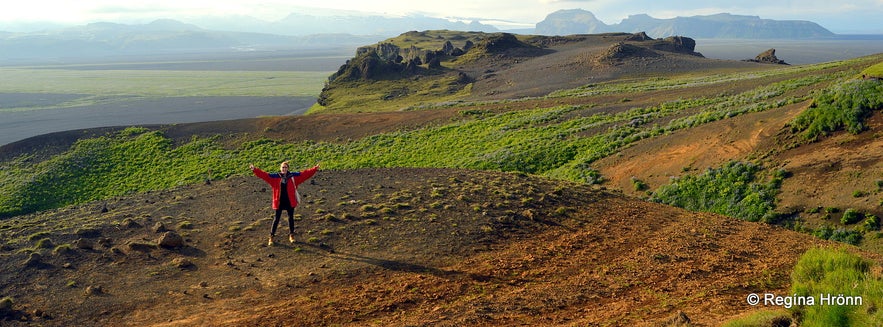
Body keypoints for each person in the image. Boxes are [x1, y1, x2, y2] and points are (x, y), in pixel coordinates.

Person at [250, 161, 320, 246]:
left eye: (285, 167)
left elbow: (305, 174)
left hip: (290, 201)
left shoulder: (293, 177)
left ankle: (292, 235)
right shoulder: (275, 177)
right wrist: (255, 170)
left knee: (291, 218)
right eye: (283, 167)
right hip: (279, 202)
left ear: (288, 168)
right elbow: (264, 175)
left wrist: (314, 169)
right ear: (280, 168)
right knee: (276, 219)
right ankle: (271, 236)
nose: (284, 169)